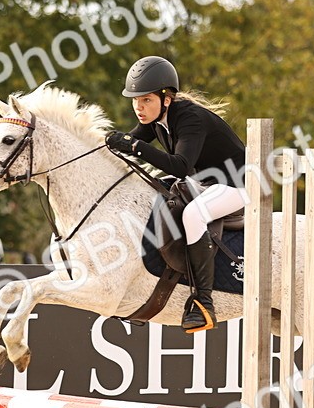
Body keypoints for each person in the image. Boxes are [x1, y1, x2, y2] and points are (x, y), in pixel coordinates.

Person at [105, 56, 246, 333]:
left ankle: (203, 302)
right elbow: (134, 142)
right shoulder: (155, 118)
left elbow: (180, 165)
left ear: (166, 98)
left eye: (145, 100)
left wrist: (132, 146)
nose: (139, 108)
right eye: (135, 100)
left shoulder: (190, 118)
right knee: (151, 192)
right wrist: (107, 143)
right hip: (204, 182)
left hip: (237, 184)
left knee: (194, 214)